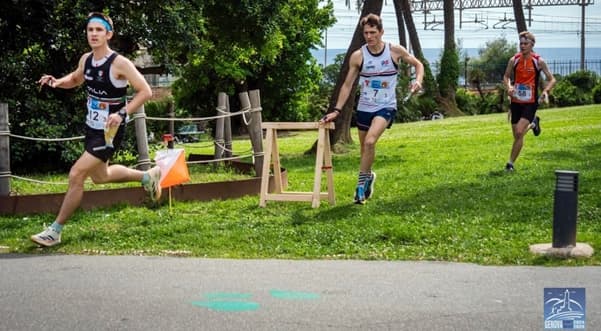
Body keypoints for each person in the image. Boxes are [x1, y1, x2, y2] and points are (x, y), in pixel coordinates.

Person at [31, 12, 161, 247]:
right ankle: (147, 176)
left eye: (98, 30)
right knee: (101, 177)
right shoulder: (86, 60)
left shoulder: (120, 63)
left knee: (76, 174)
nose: (93, 34)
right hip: (92, 127)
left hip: (110, 132)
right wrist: (58, 81)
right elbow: (77, 79)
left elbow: (145, 91)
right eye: (90, 30)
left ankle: (55, 231)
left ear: (108, 34)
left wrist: (122, 113)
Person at [321, 13, 424, 204]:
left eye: (373, 32)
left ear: (381, 32)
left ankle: (359, 187)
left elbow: (418, 64)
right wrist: (336, 110)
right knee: (365, 149)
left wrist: (417, 81)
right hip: (364, 108)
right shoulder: (358, 56)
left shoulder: (394, 51)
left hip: (386, 106)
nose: (369, 36)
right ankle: (368, 177)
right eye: (366, 33)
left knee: (369, 142)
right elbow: (347, 85)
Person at [503, 31, 556, 172]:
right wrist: (509, 87)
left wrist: (545, 91)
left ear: (532, 45)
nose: (522, 46)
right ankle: (533, 124)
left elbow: (552, 79)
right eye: (520, 43)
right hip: (516, 101)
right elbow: (506, 76)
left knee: (520, 132)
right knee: (516, 135)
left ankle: (510, 164)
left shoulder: (538, 61)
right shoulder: (513, 60)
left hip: (530, 102)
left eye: (525, 43)